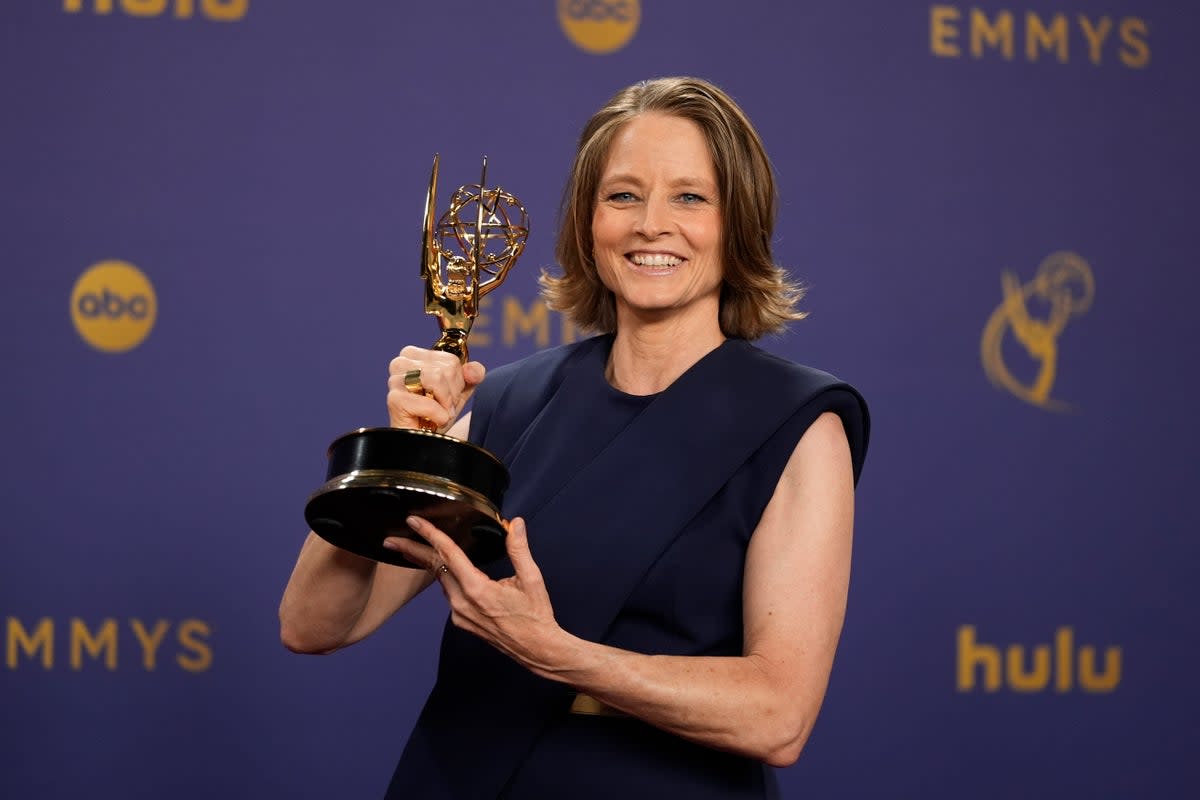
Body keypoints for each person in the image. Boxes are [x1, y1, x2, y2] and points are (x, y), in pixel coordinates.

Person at [279, 76, 869, 799]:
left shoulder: (797, 423)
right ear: (589, 223)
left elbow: (778, 715)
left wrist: (557, 655)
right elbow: (312, 625)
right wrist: (398, 460)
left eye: (690, 196)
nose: (652, 223)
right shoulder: (504, 403)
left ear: (738, 222)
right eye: (623, 195)